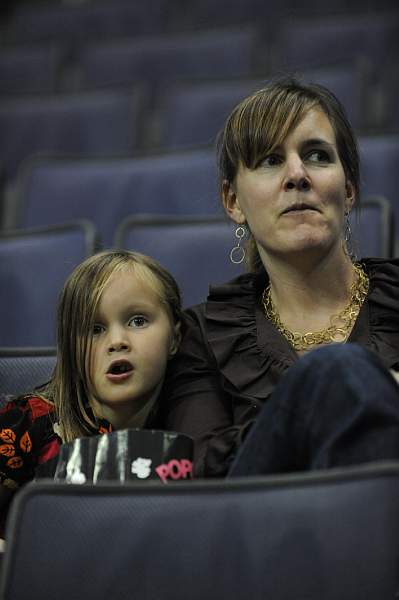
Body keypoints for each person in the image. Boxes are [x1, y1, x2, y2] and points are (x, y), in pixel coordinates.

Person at [160, 77, 399, 478]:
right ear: (232, 201)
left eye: (318, 156)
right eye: (270, 161)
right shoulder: (202, 337)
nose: (297, 174)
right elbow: (202, 476)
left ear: (350, 188)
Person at [0, 249, 182, 529]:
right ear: (71, 348)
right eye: (94, 329)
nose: (117, 341)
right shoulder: (25, 426)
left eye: (138, 321)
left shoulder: (196, 421)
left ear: (175, 337)